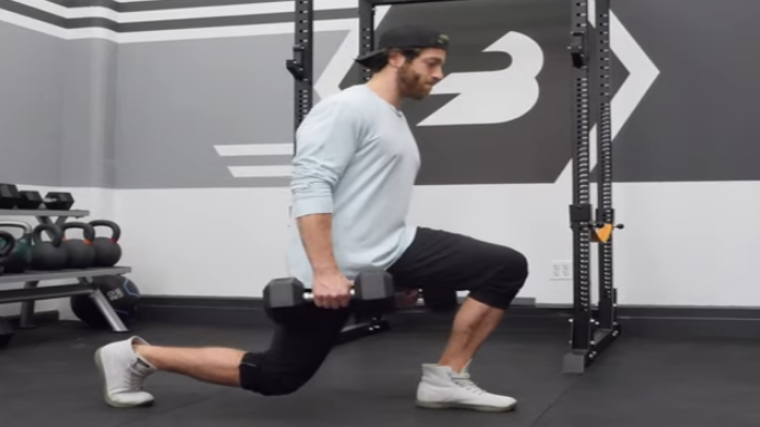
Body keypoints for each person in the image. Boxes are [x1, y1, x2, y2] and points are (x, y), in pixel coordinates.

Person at [93, 25, 529, 413]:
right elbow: (310, 186)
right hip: (337, 266)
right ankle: (136, 356)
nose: (438, 75)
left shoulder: (391, 115)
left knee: (503, 265)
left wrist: (404, 274)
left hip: (389, 247)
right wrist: (324, 271)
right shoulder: (347, 108)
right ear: (396, 57)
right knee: (277, 376)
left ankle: (445, 379)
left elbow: (369, 198)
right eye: (432, 63)